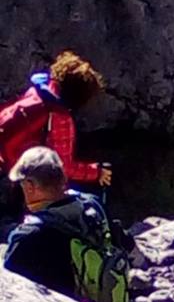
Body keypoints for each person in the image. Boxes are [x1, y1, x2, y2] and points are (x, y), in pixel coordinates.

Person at [4, 147, 129, 302]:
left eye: (21, 185)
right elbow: (123, 243)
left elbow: (8, 291)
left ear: (30, 187)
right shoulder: (92, 205)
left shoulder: (29, 236)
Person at [0, 51, 112, 235]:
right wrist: (96, 172)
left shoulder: (38, 91)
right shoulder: (60, 117)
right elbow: (64, 167)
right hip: (17, 172)